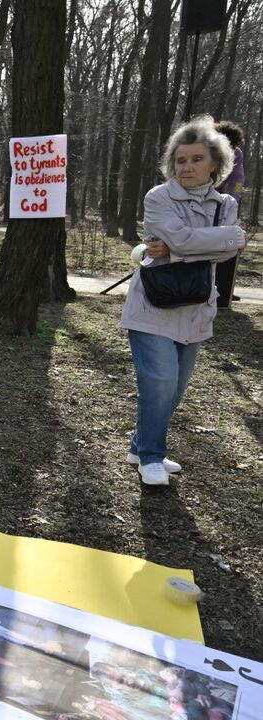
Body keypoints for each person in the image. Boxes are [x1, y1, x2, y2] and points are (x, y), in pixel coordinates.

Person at [120, 115, 244, 486]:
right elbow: (199, 241)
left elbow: (227, 251)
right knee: (159, 381)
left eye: (196, 159)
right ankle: (152, 458)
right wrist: (211, 240)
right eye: (180, 160)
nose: (186, 167)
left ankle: (139, 445)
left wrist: (176, 247)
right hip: (153, 306)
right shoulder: (158, 197)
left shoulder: (226, 205)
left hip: (195, 309)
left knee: (174, 388)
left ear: (216, 165)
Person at [214, 121, 246, 307]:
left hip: (222, 200)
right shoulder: (207, 148)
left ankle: (225, 289)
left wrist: (233, 198)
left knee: (227, 243)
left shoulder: (237, 154)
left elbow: (238, 179)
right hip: (202, 196)